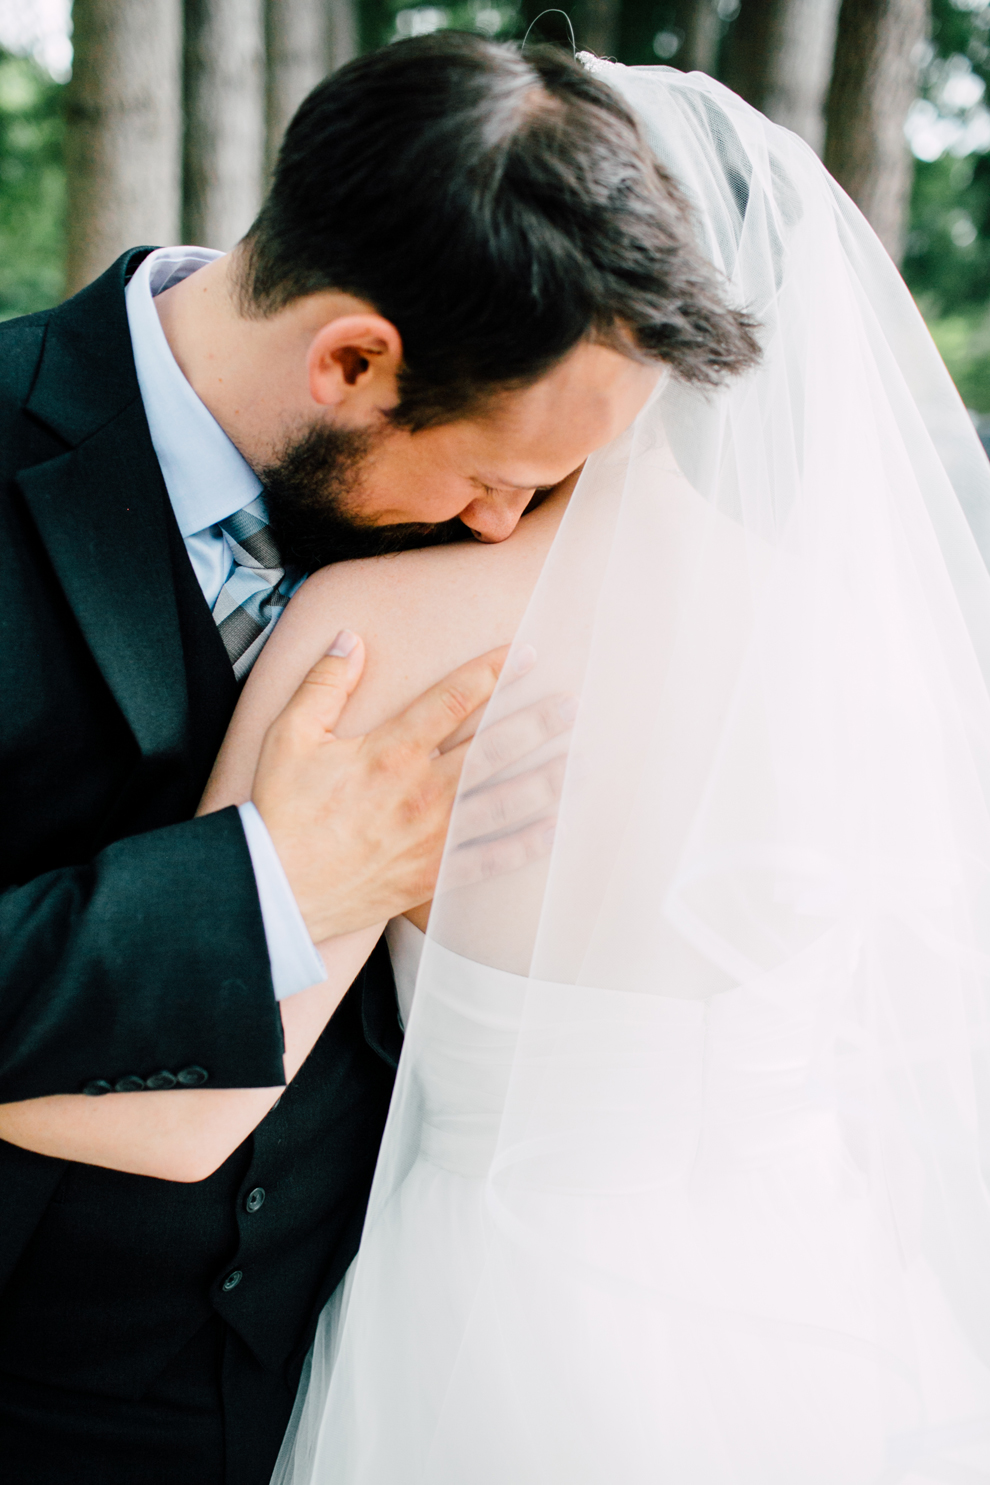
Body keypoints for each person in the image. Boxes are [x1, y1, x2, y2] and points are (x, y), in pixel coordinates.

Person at [0, 34, 756, 1485]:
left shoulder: (469, 539)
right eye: (496, 478)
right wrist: (270, 888)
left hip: (356, 1369)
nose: (502, 531)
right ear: (351, 357)